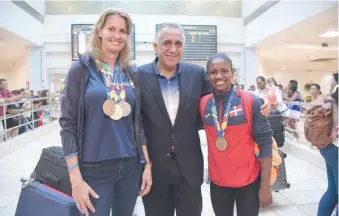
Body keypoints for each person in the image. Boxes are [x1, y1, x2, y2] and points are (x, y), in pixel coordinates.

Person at [136, 22, 270, 216]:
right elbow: (136, 121)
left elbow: (223, 91)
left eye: (178, 43)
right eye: (166, 43)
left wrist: (259, 99)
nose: (173, 49)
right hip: (155, 168)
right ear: (155, 46)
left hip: (189, 168)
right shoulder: (139, 75)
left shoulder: (196, 74)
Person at [59, 8, 152, 216]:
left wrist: (146, 165)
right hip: (94, 166)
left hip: (130, 164)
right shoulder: (81, 70)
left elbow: (138, 124)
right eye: (112, 28)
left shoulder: (130, 73)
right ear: (99, 31)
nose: (117, 35)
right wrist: (75, 178)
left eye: (123, 31)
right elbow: (68, 125)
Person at [200, 53, 273, 216]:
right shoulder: (203, 103)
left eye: (224, 70)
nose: (219, 76)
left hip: (248, 182)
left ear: (233, 73)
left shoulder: (250, 101)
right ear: (208, 76)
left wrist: (265, 186)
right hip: (218, 182)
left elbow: (266, 144)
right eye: (213, 72)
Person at [317, 73, 338, 216]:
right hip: (336, 148)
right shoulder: (334, 96)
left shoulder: (333, 95)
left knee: (333, 191)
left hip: (330, 147)